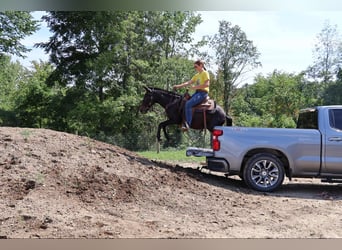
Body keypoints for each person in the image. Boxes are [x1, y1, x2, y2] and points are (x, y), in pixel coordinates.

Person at [173, 60, 210, 131]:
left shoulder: (205, 73)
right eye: (194, 67)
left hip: (203, 93)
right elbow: (188, 82)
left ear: (201, 65)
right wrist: (178, 86)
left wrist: (195, 87)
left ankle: (188, 124)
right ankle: (183, 121)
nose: (195, 68)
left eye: (196, 66)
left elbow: (207, 84)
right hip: (197, 93)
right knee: (184, 101)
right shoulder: (197, 75)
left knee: (188, 104)